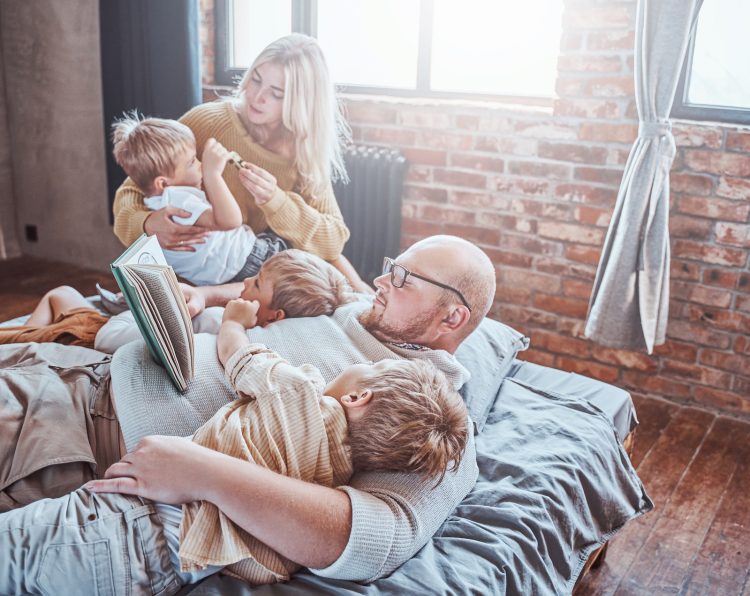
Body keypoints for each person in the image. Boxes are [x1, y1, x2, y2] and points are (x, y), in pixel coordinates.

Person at [0, 235, 496, 583]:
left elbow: (373, 537)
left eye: (403, 278)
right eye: (392, 266)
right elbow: (289, 283)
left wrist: (205, 473)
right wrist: (204, 296)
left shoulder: (430, 409)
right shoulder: (361, 310)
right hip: (85, 373)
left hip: (91, 435)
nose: (381, 280)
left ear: (452, 316)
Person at [112, 33, 371, 293]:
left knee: (332, 267)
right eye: (255, 80)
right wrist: (146, 225)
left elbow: (332, 241)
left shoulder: (303, 155)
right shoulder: (209, 122)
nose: (257, 97)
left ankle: (366, 306)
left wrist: (276, 201)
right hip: (192, 280)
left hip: (247, 275)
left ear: (300, 103)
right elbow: (132, 189)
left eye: (276, 93)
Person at [0, 249, 351, 352]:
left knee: (58, 295)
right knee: (61, 295)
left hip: (100, 341)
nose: (245, 281)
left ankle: (25, 345)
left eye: (256, 283)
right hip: (112, 335)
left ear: (274, 315)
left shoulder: (217, 326)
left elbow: (112, 338)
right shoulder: (245, 333)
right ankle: (29, 341)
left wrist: (150, 305)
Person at [112, 114, 287, 286]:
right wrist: (213, 175)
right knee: (301, 266)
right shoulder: (178, 202)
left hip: (223, 276)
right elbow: (231, 221)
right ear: (163, 183)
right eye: (191, 163)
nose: (200, 164)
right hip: (251, 260)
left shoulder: (154, 206)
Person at [0, 285, 108, 347]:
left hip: (91, 336)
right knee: (62, 291)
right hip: (99, 322)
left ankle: (26, 340)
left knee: (17, 338)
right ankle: (29, 338)